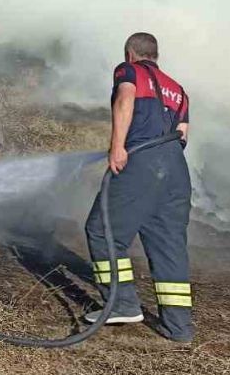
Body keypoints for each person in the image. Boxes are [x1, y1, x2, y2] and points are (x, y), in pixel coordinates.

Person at [83, 32, 193, 342]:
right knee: (169, 245)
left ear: (131, 54)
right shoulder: (179, 91)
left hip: (142, 159)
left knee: (103, 230)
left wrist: (118, 146)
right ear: (155, 55)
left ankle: (122, 304)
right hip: (175, 170)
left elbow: (125, 99)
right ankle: (178, 327)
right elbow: (183, 135)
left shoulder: (129, 70)